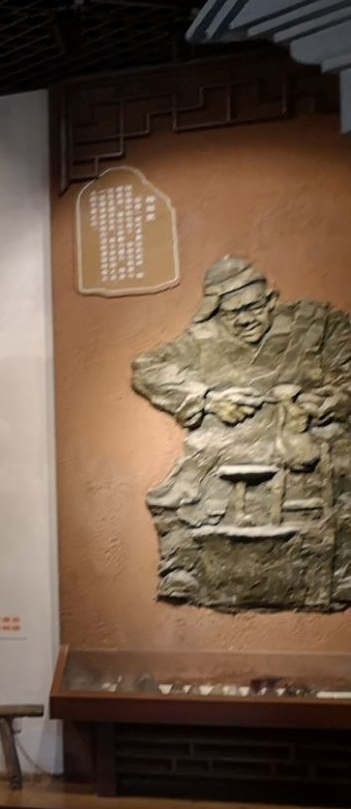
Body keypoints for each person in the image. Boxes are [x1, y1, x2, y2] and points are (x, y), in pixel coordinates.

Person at [133, 256, 350, 608]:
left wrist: (332, 399)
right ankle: (184, 571)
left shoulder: (315, 325)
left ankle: (339, 575)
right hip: (227, 444)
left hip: (304, 437)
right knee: (182, 493)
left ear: (271, 300)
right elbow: (146, 369)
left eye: (252, 308)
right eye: (231, 313)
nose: (245, 319)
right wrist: (207, 399)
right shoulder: (203, 339)